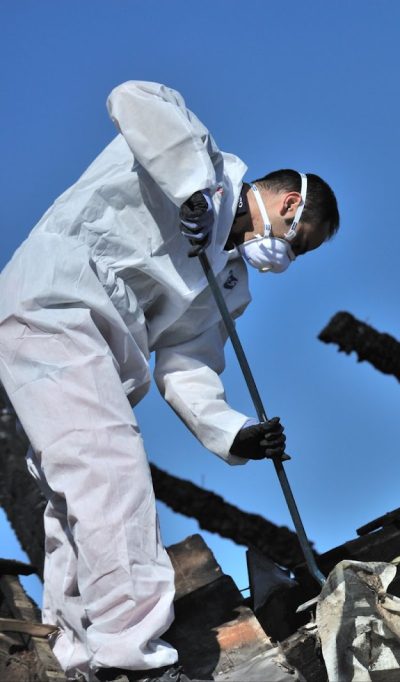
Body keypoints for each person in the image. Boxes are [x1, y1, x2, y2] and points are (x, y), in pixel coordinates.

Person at [0, 81, 340, 681]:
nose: (288, 256)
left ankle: (76, 655)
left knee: (73, 495)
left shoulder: (228, 283)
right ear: (288, 204)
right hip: (55, 304)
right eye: (299, 243)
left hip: (99, 352)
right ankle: (132, 661)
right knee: (109, 473)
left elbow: (188, 364)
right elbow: (133, 96)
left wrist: (234, 432)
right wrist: (189, 188)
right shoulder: (198, 161)